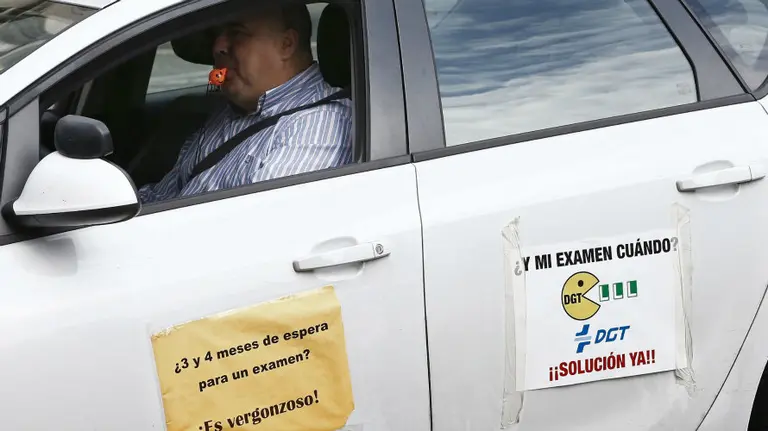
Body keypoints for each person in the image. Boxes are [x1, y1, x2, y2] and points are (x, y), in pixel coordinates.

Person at [138, 3, 353, 204]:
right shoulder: (230, 110)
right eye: (217, 35)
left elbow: (249, 229)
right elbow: (164, 195)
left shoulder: (316, 128)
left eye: (237, 33)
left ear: (286, 45)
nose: (218, 47)